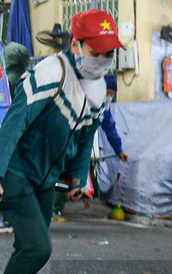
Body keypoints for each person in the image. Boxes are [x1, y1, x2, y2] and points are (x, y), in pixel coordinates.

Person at [0, 9, 119, 274]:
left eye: (109, 53)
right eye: (95, 51)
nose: (102, 59)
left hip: (45, 177)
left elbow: (86, 138)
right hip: (17, 170)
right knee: (38, 248)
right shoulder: (52, 71)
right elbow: (15, 120)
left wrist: (78, 178)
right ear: (76, 45)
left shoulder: (99, 90)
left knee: (30, 247)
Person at [54, 74, 127, 222]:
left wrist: (119, 150)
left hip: (80, 147)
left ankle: (55, 209)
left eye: (112, 94)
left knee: (69, 177)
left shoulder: (103, 111)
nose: (110, 97)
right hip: (65, 143)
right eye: (109, 93)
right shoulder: (84, 102)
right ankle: (52, 211)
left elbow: (110, 129)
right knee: (58, 175)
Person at [0, 42, 37, 235]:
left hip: (10, 135)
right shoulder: (30, 79)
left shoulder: (3, 80)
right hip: (29, 136)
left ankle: (10, 220)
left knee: (9, 176)